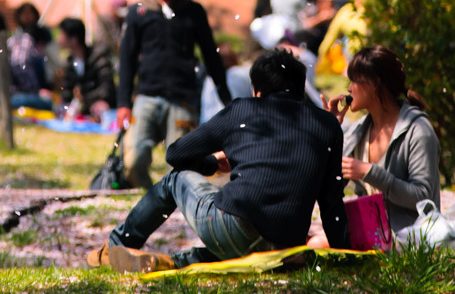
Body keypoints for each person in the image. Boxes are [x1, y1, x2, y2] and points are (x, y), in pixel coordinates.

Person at [88, 48, 348, 272]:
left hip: (233, 228)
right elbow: (331, 202)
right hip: (285, 247)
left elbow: (176, 154)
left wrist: (212, 163)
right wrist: (342, 254)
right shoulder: (327, 125)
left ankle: (116, 247)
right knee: (244, 249)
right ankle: (169, 262)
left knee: (174, 179)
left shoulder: (243, 109)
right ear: (301, 88)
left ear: (257, 91)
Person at [117, 0, 231, 188]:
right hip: (147, 96)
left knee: (182, 167)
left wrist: (225, 97)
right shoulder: (139, 12)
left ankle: (174, 205)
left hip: (183, 99)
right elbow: (126, 59)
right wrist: (123, 103)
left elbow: (211, 55)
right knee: (134, 159)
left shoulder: (193, 12)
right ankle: (150, 197)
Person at [317, 45, 441, 238]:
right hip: (370, 231)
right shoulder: (358, 131)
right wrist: (330, 129)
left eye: (354, 81)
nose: (348, 88)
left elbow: (423, 195)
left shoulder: (418, 130)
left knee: (315, 245)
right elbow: (328, 187)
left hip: (412, 236)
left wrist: (370, 172)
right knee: (309, 241)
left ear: (374, 85)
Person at [58, 16, 116, 121]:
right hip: (86, 108)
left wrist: (102, 100)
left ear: (73, 39)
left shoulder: (98, 56)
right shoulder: (69, 63)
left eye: (62, 34)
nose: (59, 39)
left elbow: (106, 84)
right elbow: (67, 91)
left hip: (104, 106)